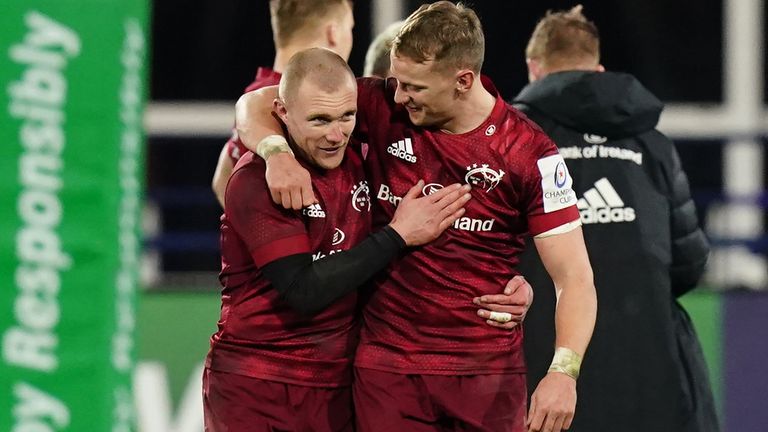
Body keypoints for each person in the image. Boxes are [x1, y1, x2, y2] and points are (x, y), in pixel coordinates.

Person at [235, 3, 597, 431]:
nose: (400, 95)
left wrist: (563, 371)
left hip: (485, 377)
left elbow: (574, 277)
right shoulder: (385, 104)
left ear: (464, 81)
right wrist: (276, 155)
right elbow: (256, 102)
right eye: (396, 81)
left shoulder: (529, 154)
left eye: (414, 87)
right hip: (388, 373)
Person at [203, 48, 474, 432]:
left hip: (337, 384)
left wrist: (511, 284)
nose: (335, 135)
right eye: (319, 120)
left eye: (347, 117)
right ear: (282, 113)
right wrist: (397, 234)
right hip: (259, 384)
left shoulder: (359, 156)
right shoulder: (258, 181)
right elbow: (303, 290)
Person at [512, 6, 718, 432]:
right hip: (646, 367)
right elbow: (689, 264)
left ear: (535, 69)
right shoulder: (652, 142)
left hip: (542, 366)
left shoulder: (512, 140)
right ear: (599, 68)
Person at [211, 0, 355, 207]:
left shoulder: (259, 90)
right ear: (333, 32)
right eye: (350, 28)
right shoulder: (277, 104)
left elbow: (221, 180)